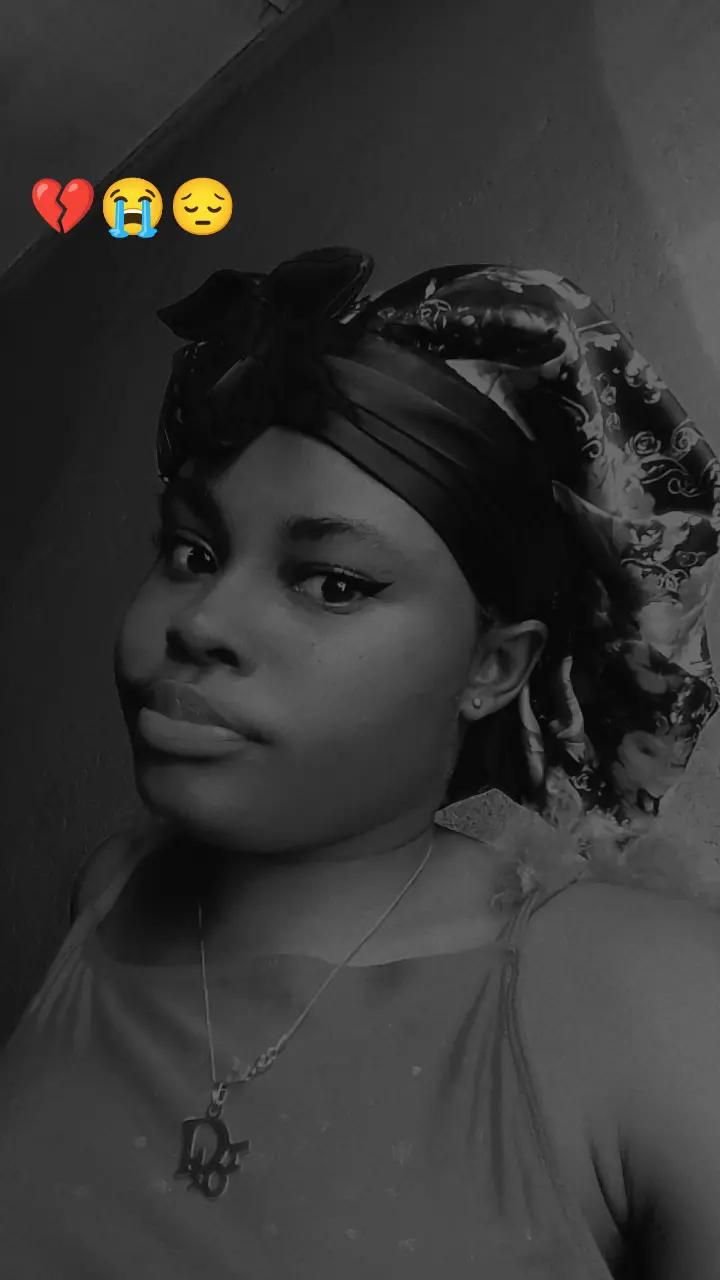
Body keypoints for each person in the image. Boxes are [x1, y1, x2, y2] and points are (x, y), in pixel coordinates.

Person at [3, 248, 720, 1278]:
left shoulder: (656, 998)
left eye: (334, 582)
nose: (201, 620)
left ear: (492, 666)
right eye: (192, 552)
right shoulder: (112, 890)